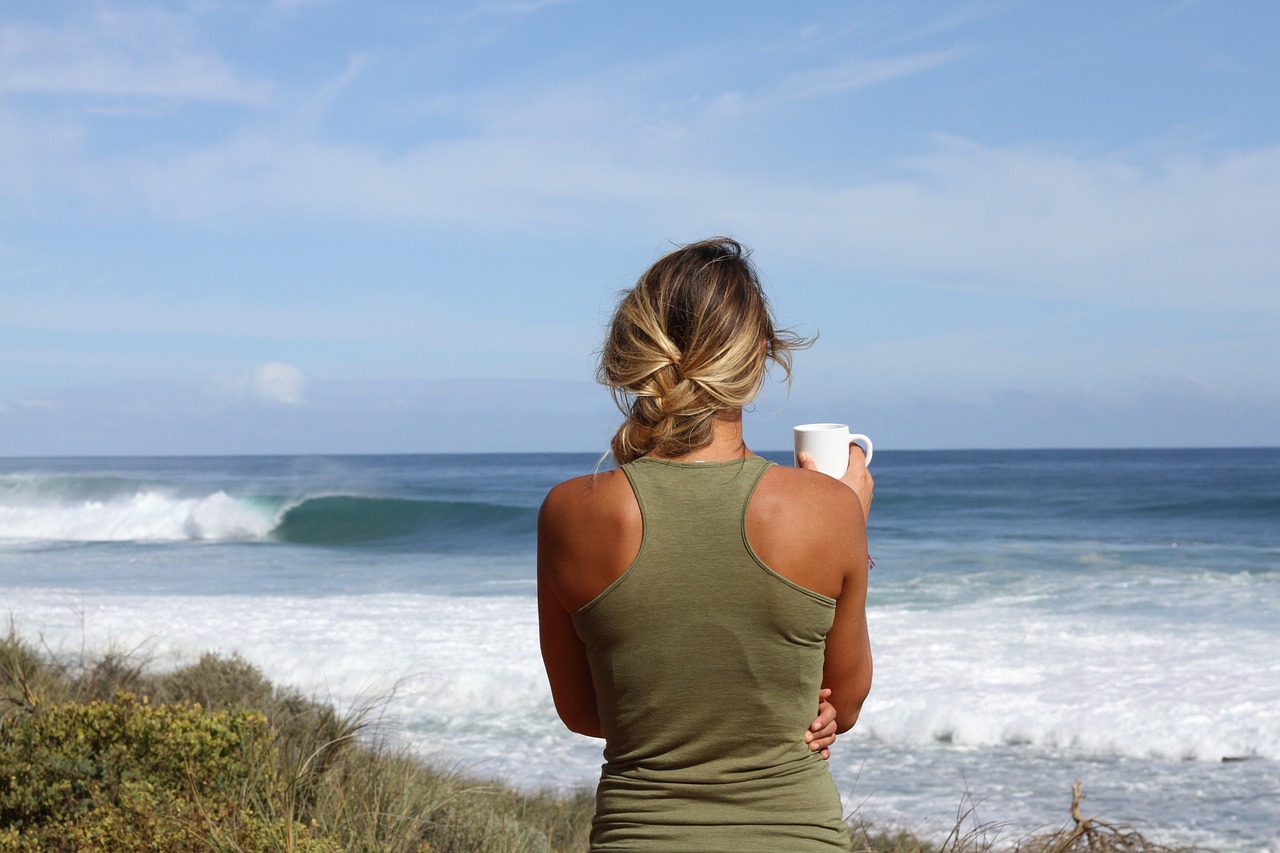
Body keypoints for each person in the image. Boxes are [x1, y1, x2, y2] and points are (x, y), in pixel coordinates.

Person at [538, 237, 873, 851]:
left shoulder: (570, 511)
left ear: (633, 348)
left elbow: (584, 714)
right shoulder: (829, 508)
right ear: (762, 357)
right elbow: (842, 707)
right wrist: (849, 519)